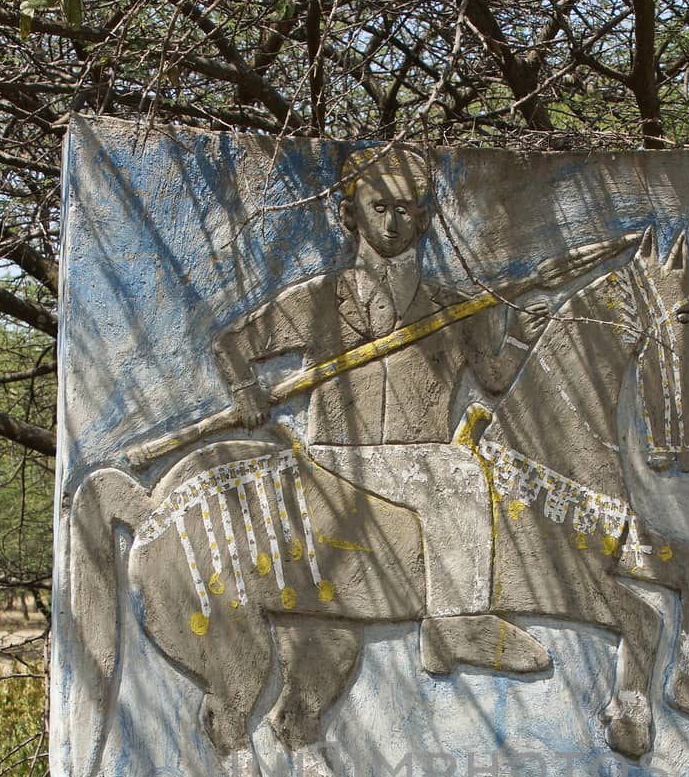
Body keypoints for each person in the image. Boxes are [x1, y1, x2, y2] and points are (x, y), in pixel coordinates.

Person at [213, 144, 551, 675]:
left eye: (406, 209)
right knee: (455, 472)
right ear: (350, 215)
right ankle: (455, 624)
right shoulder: (321, 298)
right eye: (379, 207)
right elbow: (232, 343)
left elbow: (493, 379)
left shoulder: (452, 307)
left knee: (456, 467)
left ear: (424, 217)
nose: (393, 222)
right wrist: (243, 390)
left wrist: (521, 340)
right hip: (339, 455)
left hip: (419, 454)